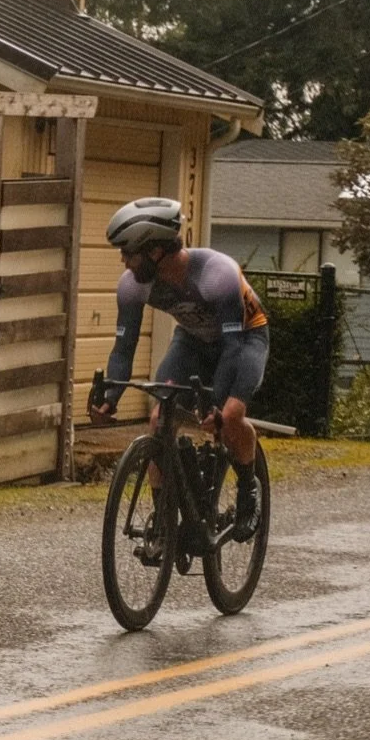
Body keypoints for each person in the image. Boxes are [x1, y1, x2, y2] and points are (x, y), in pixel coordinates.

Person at [88, 196, 269, 539]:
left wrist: (216, 405)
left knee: (230, 416)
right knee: (159, 420)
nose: (123, 260)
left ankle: (249, 489)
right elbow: (124, 347)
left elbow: (232, 347)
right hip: (193, 341)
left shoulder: (218, 275)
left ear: (156, 251)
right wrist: (111, 396)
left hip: (244, 339)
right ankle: (164, 521)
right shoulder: (132, 286)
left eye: (128, 252)